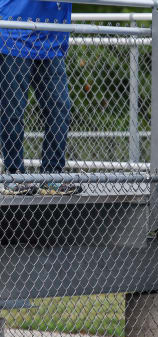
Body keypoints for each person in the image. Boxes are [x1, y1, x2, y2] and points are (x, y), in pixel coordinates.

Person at [0, 0, 81, 195]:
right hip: (14, 32)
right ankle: (14, 176)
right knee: (13, 109)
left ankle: (51, 176)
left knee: (60, 107)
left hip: (49, 37)